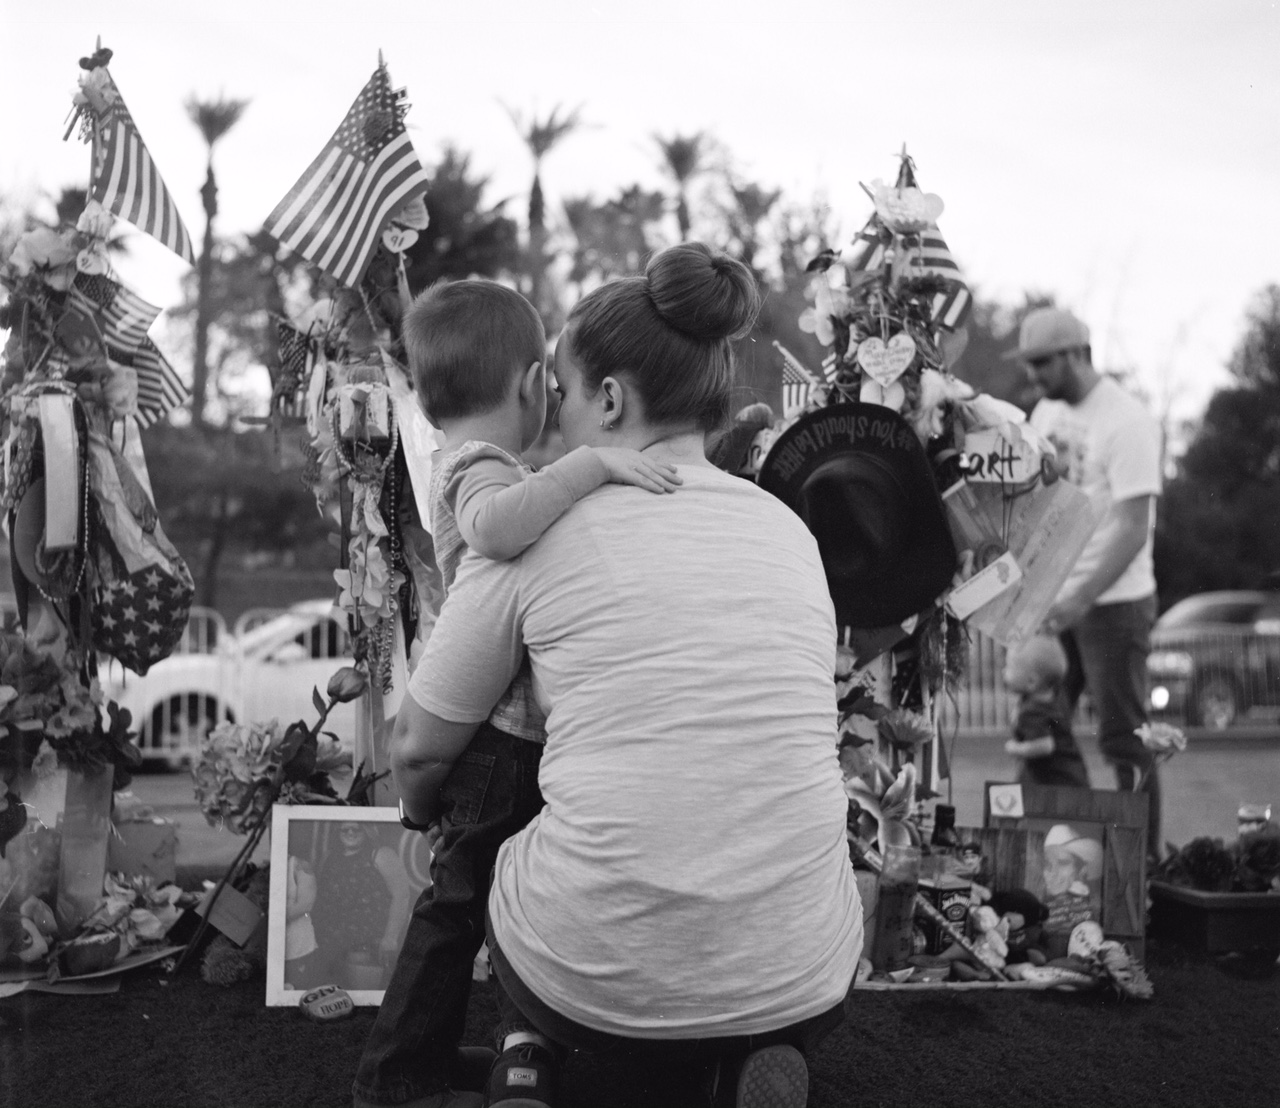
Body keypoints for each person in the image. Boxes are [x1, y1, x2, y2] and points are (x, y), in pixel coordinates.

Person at [392, 242, 862, 1108]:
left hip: (598, 966)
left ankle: (527, 1055)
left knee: (515, 845)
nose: (554, 416)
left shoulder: (541, 531)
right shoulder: (789, 534)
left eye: (564, 392)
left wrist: (418, 813)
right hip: (809, 966)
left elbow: (420, 744)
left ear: (609, 400)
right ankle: (738, 1056)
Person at [353, 280, 681, 1108]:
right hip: (498, 741)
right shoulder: (477, 468)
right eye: (555, 388)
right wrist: (591, 464)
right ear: (535, 384)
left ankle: (478, 1058)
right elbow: (497, 528)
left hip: (503, 737)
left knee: (498, 906)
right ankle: (395, 1081)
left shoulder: (480, 463)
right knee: (459, 911)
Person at [1012, 307, 1163, 855]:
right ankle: (1051, 858)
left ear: (1078, 353)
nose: (1033, 375)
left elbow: (1134, 527)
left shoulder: (1127, 419)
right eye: (1029, 364)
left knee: (1123, 739)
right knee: (1039, 728)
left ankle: (1138, 870)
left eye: (1043, 362)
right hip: (1057, 600)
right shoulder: (1047, 411)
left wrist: (1081, 597)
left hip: (1113, 602)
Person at [312, 822, 413, 991]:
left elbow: (401, 896)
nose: (350, 832)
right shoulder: (329, 857)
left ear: (367, 830)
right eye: (345, 829)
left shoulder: (381, 855)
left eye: (356, 828)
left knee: (364, 995)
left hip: (368, 945)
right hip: (330, 943)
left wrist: (390, 938)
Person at [1002, 634, 1090, 788]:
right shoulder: (1051, 699)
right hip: (1072, 777)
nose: (1004, 671)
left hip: (1057, 783)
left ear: (1032, 681)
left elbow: (1044, 746)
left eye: (1009, 667)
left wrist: (1016, 749)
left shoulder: (1034, 711)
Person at [1038, 823, 1103, 959]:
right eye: (1047, 864)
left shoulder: (1085, 906)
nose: (1053, 872)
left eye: (1063, 863)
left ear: (1080, 870)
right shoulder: (1036, 901)